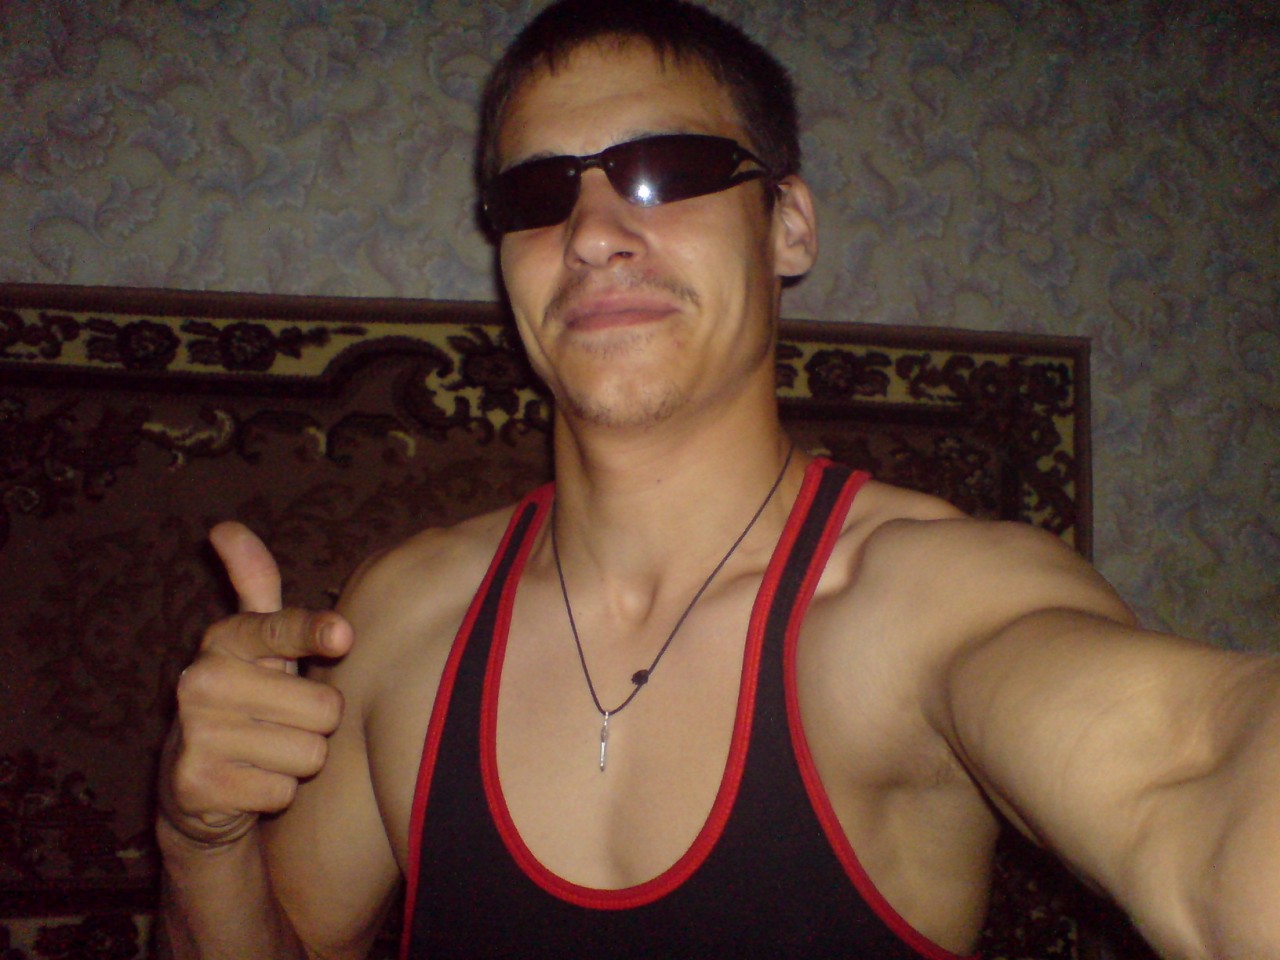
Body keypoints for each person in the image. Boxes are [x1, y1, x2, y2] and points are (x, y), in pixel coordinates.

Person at [155, 1, 1280, 957]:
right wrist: (199, 841)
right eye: (538, 194)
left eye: (669, 172)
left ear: (787, 225)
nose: (592, 233)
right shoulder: (402, 614)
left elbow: (1196, 776)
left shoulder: (926, 605)